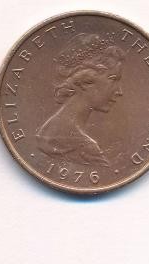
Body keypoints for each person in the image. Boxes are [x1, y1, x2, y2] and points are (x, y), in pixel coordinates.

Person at [36, 33, 125, 166]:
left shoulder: (46, 132)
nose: (119, 92)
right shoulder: (87, 149)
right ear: (86, 81)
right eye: (113, 79)